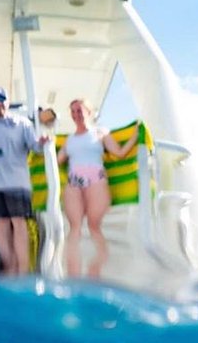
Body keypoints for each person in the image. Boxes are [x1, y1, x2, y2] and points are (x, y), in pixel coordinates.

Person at [57, 98, 139, 279]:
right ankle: (73, 276)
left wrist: (136, 134)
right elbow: (56, 161)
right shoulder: (69, 140)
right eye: (72, 111)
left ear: (89, 112)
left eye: (79, 110)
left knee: (94, 226)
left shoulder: (100, 133)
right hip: (74, 182)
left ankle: (96, 269)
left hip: (96, 180)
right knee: (75, 227)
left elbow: (119, 152)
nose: (76, 114)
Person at [0, 87, 42, 275]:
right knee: (1, 223)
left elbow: (36, 147)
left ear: (8, 101)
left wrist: (44, 141)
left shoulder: (23, 123)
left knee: (19, 222)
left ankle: (24, 268)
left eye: (1, 99)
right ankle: (9, 267)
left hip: (17, 183)